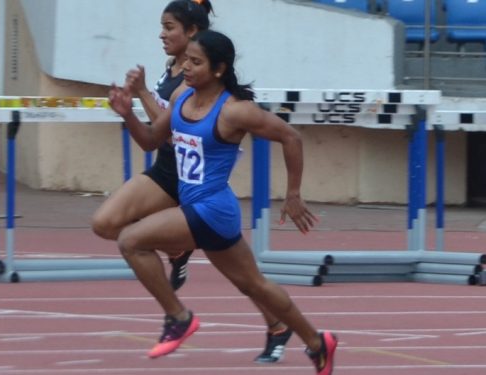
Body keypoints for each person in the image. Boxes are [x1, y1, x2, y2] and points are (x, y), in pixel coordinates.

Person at [107, 29, 337, 374]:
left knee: (131, 240)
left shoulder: (234, 111)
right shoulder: (183, 98)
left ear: (218, 69)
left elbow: (291, 137)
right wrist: (127, 114)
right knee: (254, 284)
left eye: (196, 62)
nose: (186, 67)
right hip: (207, 212)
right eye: (186, 60)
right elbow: (152, 141)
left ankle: (178, 317)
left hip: (211, 209)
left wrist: (293, 194)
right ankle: (318, 343)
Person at [91, 0, 293, 363]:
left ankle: (277, 324)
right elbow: (158, 134)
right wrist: (132, 105)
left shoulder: (203, 81)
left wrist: (139, 96)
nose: (162, 34)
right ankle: (176, 249)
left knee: (243, 275)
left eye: (170, 27)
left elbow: (170, 129)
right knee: (105, 224)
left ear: (193, 34)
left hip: (199, 183)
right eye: (162, 27)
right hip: (169, 173)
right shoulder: (174, 72)